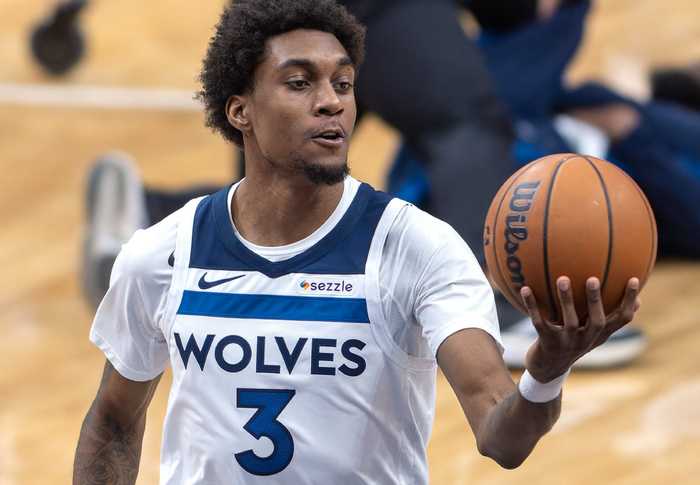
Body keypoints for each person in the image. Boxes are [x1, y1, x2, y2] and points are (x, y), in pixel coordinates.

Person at [73, 1, 642, 483]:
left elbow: (502, 438)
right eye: (301, 84)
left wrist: (547, 372)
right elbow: (114, 421)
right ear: (239, 110)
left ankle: (141, 198)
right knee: (463, 120)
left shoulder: (421, 248)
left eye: (344, 84)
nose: (333, 102)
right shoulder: (160, 256)